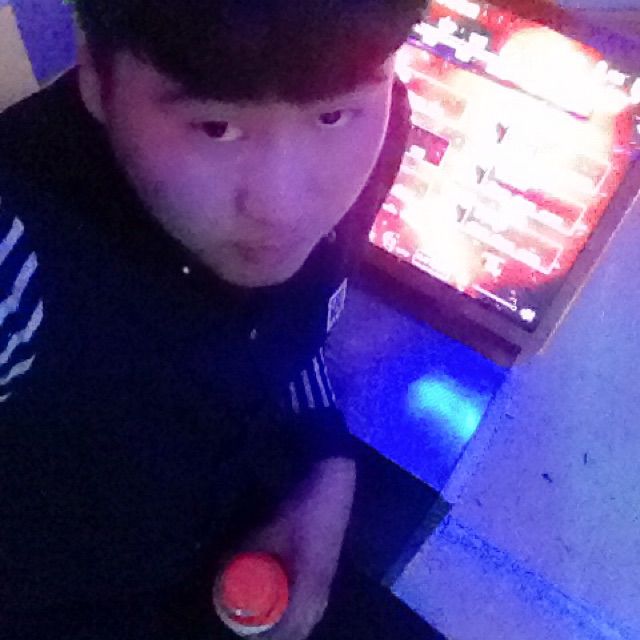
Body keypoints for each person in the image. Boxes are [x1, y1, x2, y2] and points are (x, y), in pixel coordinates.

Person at [0, 0, 420, 637]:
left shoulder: (382, 122)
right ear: (95, 75)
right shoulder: (17, 257)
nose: (283, 207)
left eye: (332, 115)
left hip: (230, 546)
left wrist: (323, 460)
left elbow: (298, 317)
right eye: (216, 127)